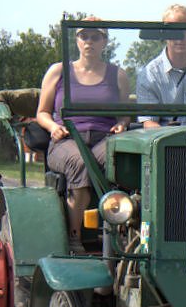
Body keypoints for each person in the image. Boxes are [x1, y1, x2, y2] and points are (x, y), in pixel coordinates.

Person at [36, 17, 131, 252]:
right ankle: (74, 237)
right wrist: (52, 127)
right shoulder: (58, 71)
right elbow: (42, 113)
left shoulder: (118, 75)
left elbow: (125, 114)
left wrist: (122, 124)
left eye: (95, 36)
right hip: (66, 140)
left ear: (104, 41)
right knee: (80, 163)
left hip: (104, 139)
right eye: (84, 36)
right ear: (76, 40)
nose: (89, 41)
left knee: (123, 163)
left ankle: (123, 237)